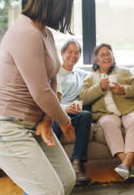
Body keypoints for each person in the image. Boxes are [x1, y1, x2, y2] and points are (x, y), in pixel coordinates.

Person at [0, 0, 77, 195]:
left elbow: (53, 79)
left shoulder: (46, 34)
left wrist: (46, 119)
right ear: (54, 2)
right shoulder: (25, 33)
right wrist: (65, 122)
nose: (67, 12)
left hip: (32, 123)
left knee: (66, 180)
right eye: (67, 5)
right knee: (51, 191)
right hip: (6, 125)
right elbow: (41, 91)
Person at [80, 43, 134, 180]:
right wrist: (99, 87)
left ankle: (126, 164)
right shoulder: (90, 78)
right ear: (96, 60)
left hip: (130, 109)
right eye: (102, 55)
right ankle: (127, 165)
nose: (106, 57)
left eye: (108, 53)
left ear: (113, 57)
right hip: (105, 114)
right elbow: (84, 98)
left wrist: (123, 90)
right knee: (109, 124)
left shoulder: (125, 72)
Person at [52, 39, 92, 183]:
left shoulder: (83, 74)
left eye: (77, 52)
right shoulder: (53, 74)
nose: (74, 55)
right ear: (62, 53)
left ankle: (77, 164)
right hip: (57, 112)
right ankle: (53, 167)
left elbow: (90, 91)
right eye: (70, 52)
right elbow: (49, 100)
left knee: (86, 115)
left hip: (76, 113)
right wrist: (64, 108)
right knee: (55, 120)